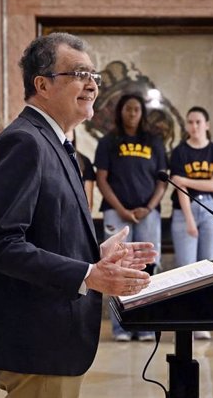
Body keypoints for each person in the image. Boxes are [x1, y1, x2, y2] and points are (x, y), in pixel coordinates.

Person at [0, 33, 157, 397]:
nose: (92, 85)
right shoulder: (25, 142)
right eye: (79, 74)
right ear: (42, 84)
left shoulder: (57, 144)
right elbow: (1, 246)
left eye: (94, 76)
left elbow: (46, 232)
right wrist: (89, 274)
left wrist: (96, 254)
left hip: (53, 341)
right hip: (38, 341)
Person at [95, 93, 167, 342]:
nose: (132, 113)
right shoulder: (108, 142)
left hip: (148, 213)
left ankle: (146, 325)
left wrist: (148, 207)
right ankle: (122, 327)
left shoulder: (154, 142)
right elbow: (101, 180)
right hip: (117, 212)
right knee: (118, 267)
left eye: (137, 109)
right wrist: (123, 210)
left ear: (142, 113)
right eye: (128, 109)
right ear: (120, 112)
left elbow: (162, 182)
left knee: (147, 267)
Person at [169, 106, 213, 340]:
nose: (194, 126)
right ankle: (185, 322)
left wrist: (184, 178)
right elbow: (179, 187)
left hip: (211, 207)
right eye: (190, 122)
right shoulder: (179, 151)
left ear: (207, 125)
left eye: (198, 122)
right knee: (186, 268)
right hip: (185, 211)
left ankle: (202, 320)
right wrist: (190, 220)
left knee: (207, 267)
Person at [66, 128, 95, 210]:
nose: (64, 132)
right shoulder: (48, 156)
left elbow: (88, 202)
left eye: (68, 130)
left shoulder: (84, 161)